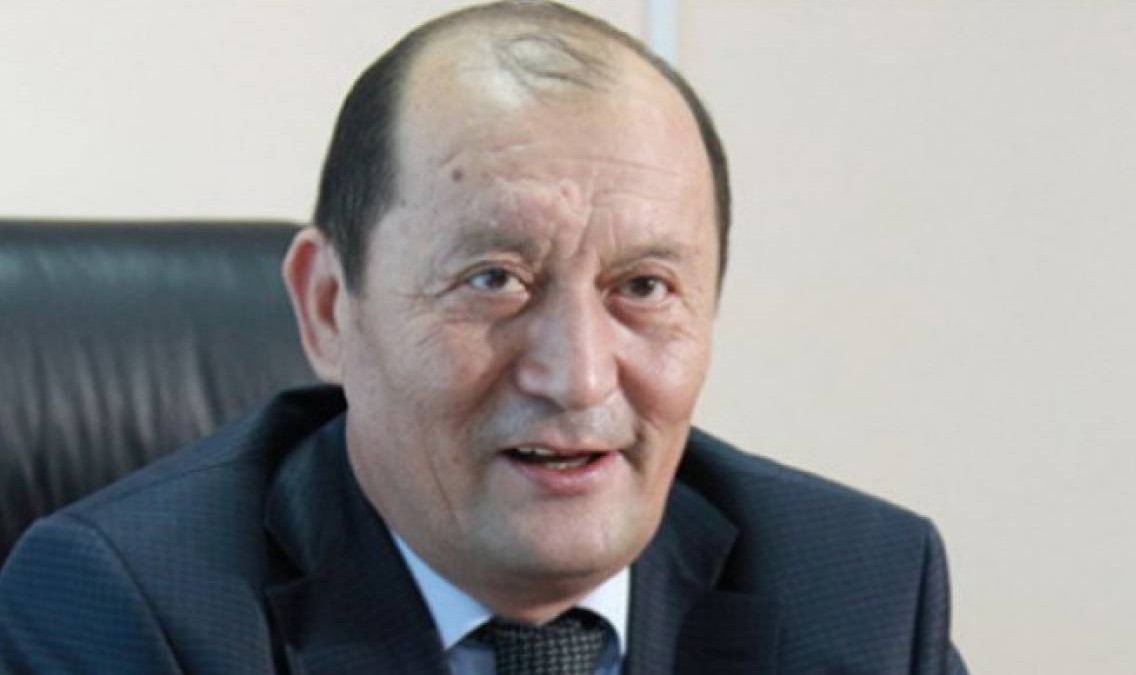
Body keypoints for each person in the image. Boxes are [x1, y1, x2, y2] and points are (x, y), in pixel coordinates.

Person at [0, 2, 969, 673]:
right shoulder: (132, 610)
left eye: (643, 287)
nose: (578, 376)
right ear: (330, 307)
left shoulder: (861, 591)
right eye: (494, 280)